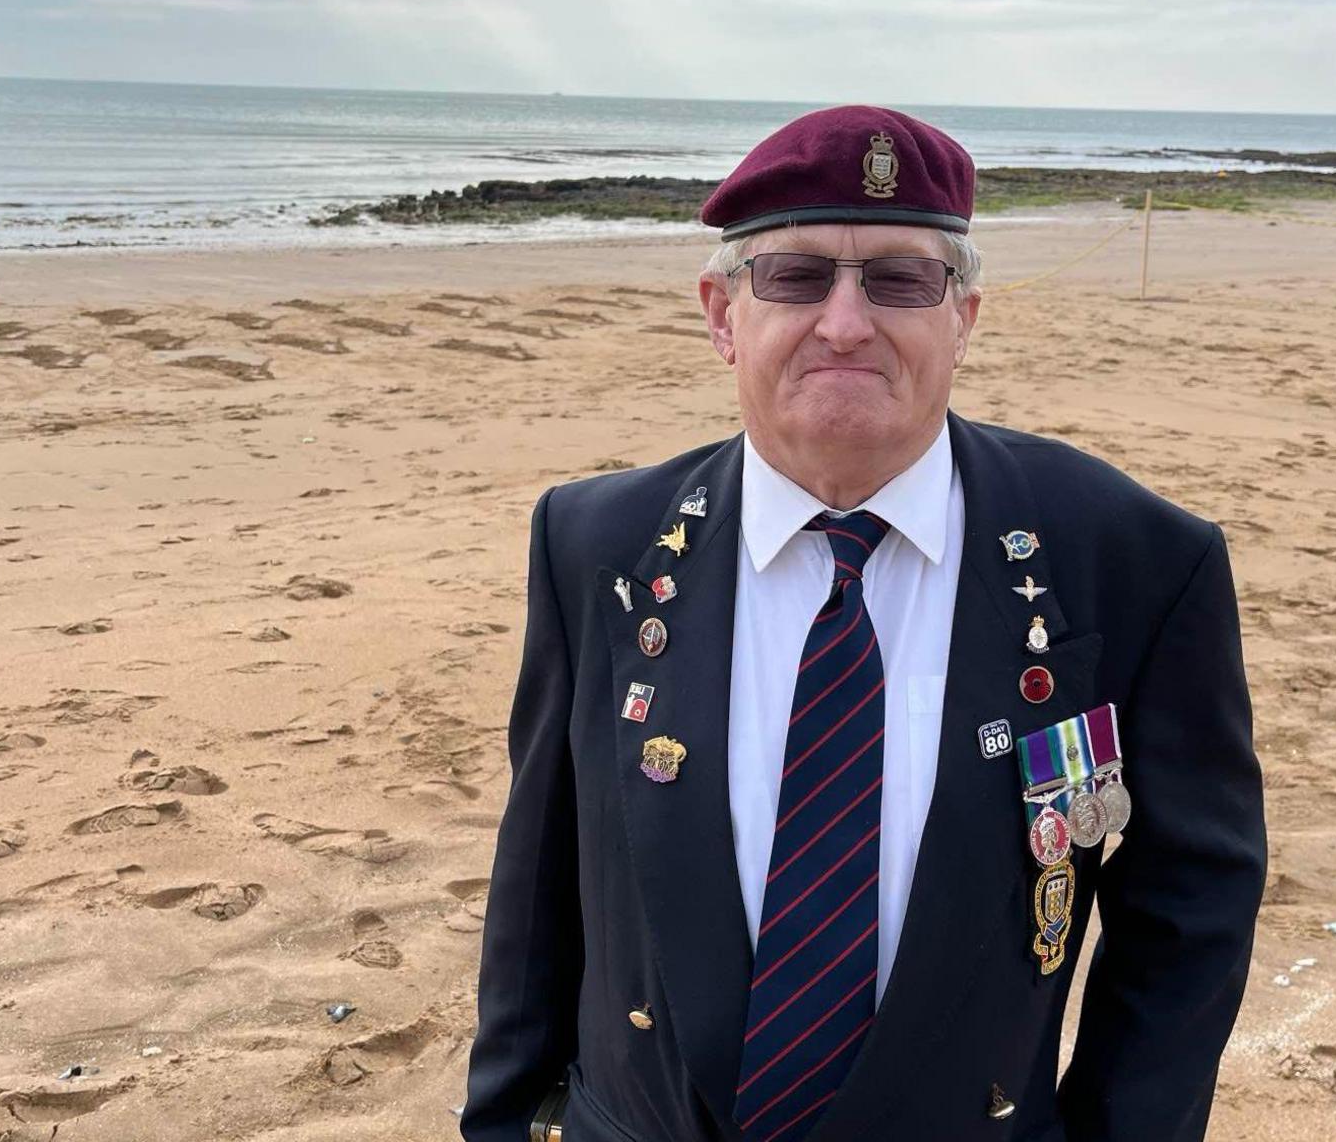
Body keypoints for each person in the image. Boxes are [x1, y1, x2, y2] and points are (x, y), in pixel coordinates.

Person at [461, 104, 1267, 1142]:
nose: (844, 323)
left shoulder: (1135, 559)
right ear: (721, 314)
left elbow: (1188, 917)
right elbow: (536, 890)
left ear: (963, 317)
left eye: (898, 280)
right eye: (796, 278)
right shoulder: (593, 544)